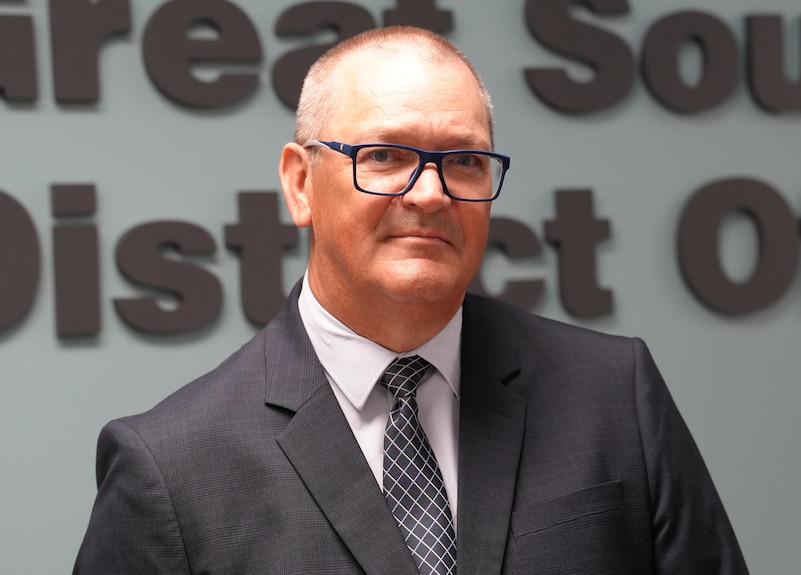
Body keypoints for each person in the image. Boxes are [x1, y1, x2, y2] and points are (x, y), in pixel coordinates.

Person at [73, 26, 748, 575]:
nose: (431, 193)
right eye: (387, 155)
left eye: (464, 161)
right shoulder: (172, 469)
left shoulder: (613, 395)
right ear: (301, 183)